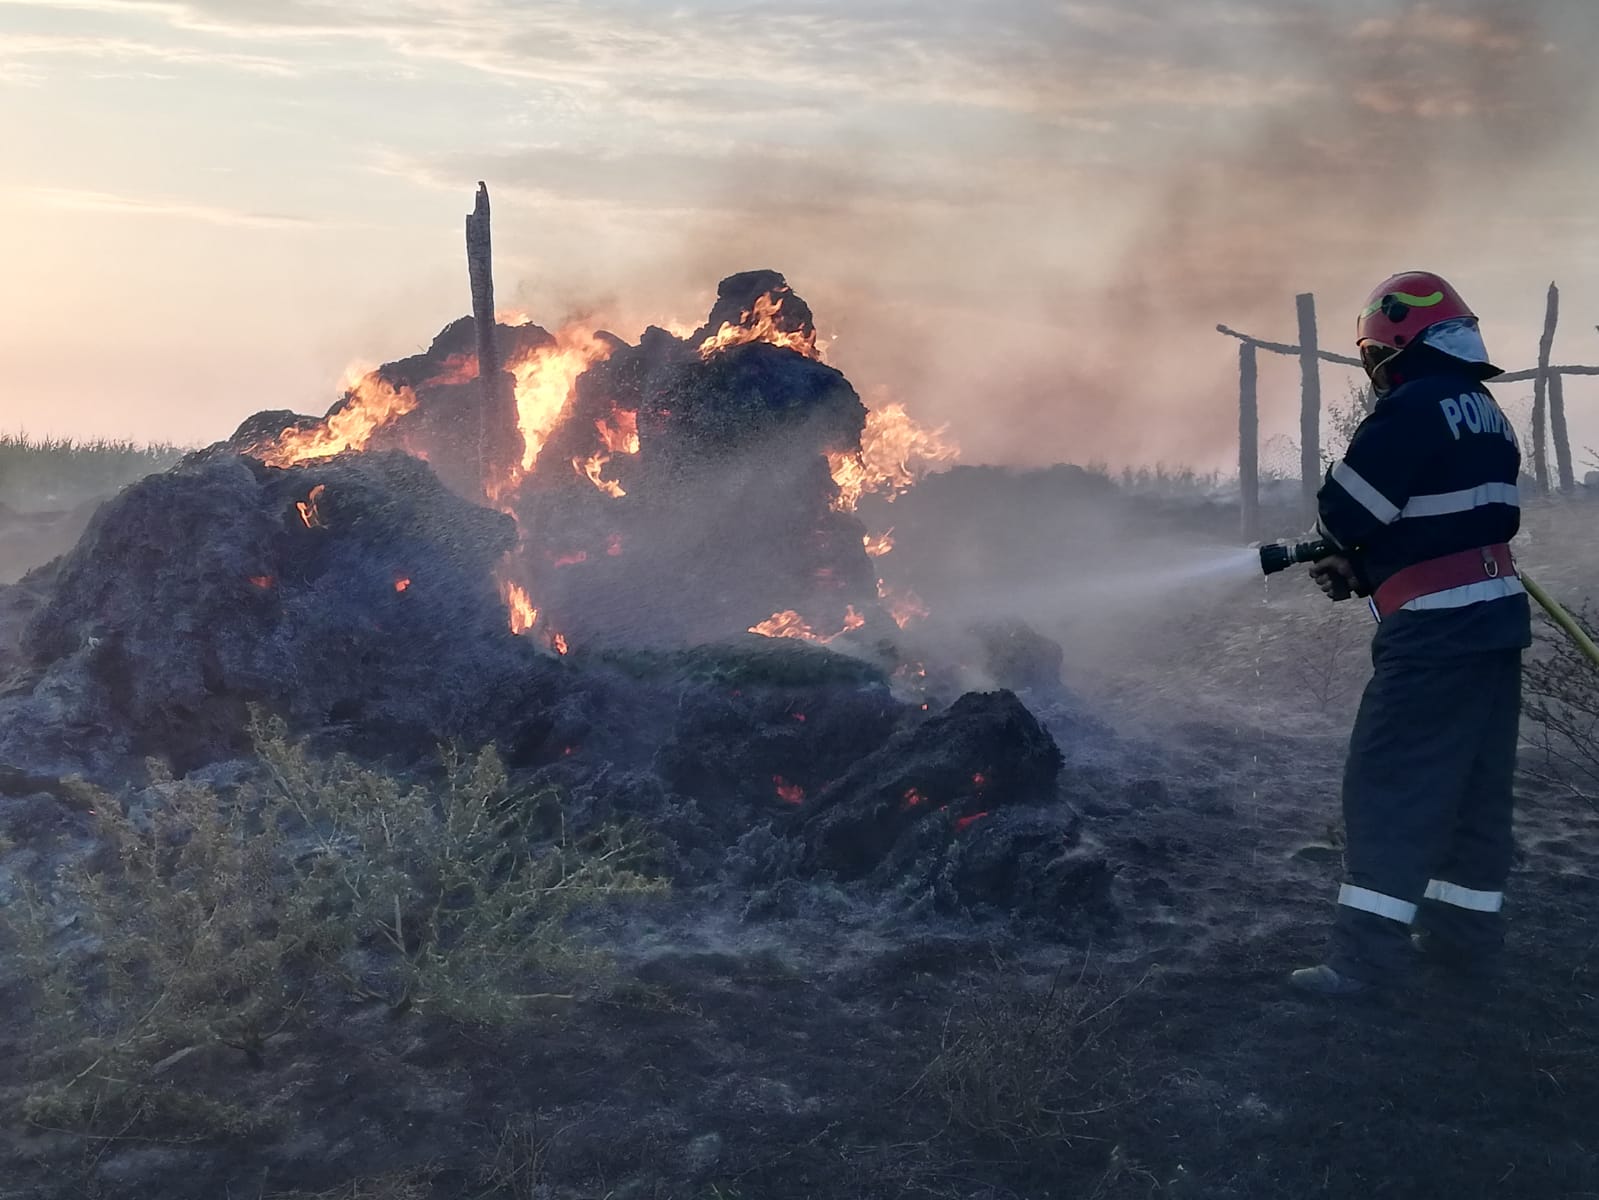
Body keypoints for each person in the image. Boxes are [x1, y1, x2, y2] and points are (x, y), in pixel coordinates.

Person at [1291, 270, 1531, 998]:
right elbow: (1451, 521)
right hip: (1492, 627)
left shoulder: (1414, 406)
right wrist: (1367, 572)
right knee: (1471, 792)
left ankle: (1365, 966)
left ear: (1393, 340)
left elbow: (1346, 512)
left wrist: (1342, 547)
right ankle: (1462, 947)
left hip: (1434, 636)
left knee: (1388, 787)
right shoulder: (1483, 410)